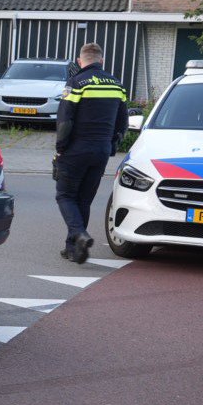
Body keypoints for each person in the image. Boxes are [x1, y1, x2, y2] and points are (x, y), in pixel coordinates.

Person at [53, 43, 129, 263]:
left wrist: (60, 148)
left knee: (65, 195)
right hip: (101, 150)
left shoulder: (76, 83)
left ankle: (79, 234)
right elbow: (122, 122)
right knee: (84, 199)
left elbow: (65, 120)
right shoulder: (117, 85)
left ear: (80, 61)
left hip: (76, 149)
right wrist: (112, 144)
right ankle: (73, 249)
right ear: (101, 60)